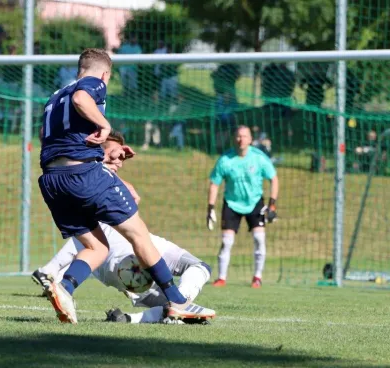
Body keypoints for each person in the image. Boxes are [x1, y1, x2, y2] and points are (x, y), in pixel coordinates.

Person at [38, 48, 199, 324]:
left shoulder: (54, 97)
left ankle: (64, 287)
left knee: (96, 248)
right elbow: (81, 98)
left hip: (52, 181)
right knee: (139, 234)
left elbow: (55, 137)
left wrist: (105, 153)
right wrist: (104, 123)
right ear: (105, 74)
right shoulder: (93, 83)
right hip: (83, 176)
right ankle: (177, 301)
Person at [33, 131, 215, 324]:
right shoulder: (103, 182)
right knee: (198, 267)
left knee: (94, 247)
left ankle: (128, 318)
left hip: (107, 271)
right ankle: (178, 306)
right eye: (115, 153)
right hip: (132, 253)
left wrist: (52, 268)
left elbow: (76, 242)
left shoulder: (69, 185)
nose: (119, 159)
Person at [207, 125, 278, 288]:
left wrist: (272, 205)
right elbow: (214, 184)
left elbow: (274, 179)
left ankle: (257, 277)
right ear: (234, 138)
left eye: (245, 136)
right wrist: (210, 208)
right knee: (227, 242)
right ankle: (221, 278)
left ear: (250, 139)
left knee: (259, 239)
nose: (241, 139)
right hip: (232, 203)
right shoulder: (225, 159)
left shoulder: (259, 158)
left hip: (254, 203)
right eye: (238, 136)